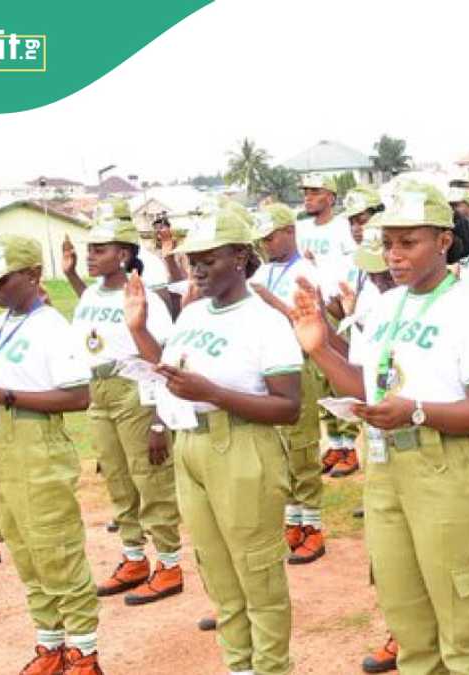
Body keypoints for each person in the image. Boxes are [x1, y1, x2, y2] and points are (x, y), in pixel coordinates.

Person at [288, 182, 469, 674]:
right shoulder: (387, 306)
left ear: (443, 241)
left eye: (408, 242)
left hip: (447, 472)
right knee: (409, 626)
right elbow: (369, 387)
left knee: (463, 632)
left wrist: (416, 412)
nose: (394, 255)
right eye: (388, 243)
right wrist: (320, 348)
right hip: (388, 472)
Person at [156, 207, 302, 675]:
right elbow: (172, 371)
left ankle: (272, 667)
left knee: (257, 574)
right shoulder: (192, 312)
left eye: (208, 258)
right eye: (191, 259)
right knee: (218, 574)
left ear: (240, 256)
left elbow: (288, 406)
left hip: (242, 446)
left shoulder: (265, 321)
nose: (196, 268)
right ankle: (239, 666)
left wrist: (213, 393)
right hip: (191, 446)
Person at [0, 234, 105, 674]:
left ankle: (83, 650)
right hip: (0, 445)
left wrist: (3, 395)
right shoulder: (5, 321)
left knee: (56, 547)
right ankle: (51, 644)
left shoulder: (50, 326)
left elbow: (78, 397)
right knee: (26, 550)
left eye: (2, 279)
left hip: (36, 445)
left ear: (32, 274)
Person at [65, 213, 185, 606]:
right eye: (90, 250)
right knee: (117, 477)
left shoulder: (142, 295)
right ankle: (134, 557)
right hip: (98, 390)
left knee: (150, 477)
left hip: (135, 388)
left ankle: (168, 563)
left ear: (124, 253)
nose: (91, 256)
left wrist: (156, 420)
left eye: (100, 250)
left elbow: (161, 358)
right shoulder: (88, 294)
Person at [248, 203, 334, 565]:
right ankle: (293, 519)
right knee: (278, 448)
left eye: (272, 236)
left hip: (299, 360)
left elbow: (314, 322)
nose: (267, 244)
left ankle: (312, 523)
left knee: (301, 443)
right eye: (262, 239)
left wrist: (273, 303)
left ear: (290, 231)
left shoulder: (306, 271)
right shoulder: (264, 271)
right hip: (267, 363)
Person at [296, 172, 361, 468]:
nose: (307, 197)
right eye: (305, 192)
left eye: (315, 192)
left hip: (338, 305)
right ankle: (335, 443)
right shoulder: (301, 228)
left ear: (331, 197)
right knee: (320, 378)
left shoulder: (342, 228)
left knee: (340, 374)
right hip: (313, 306)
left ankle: (350, 445)